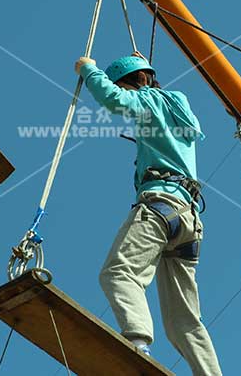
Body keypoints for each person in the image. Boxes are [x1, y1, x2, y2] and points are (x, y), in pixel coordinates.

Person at [74, 52, 223, 376]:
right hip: (188, 219)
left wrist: (89, 71)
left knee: (118, 273)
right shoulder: (176, 106)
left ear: (131, 83)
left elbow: (113, 99)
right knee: (183, 320)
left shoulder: (146, 102)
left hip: (160, 206)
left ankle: (137, 345)